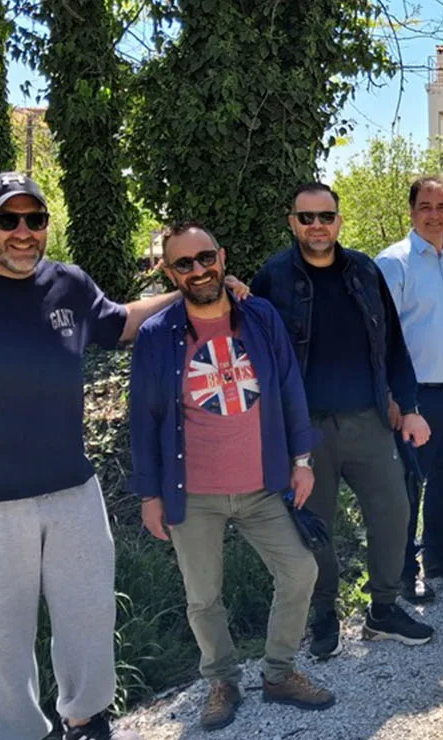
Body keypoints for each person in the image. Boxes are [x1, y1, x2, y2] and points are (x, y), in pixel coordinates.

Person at [0, 172, 178, 740]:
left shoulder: (67, 285)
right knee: (0, 646)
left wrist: (195, 286)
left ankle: (88, 720)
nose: (23, 232)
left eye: (34, 220)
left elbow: (123, 322)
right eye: (8, 219)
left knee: (90, 622)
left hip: (74, 495)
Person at [130, 223, 336, 730]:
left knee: (300, 572)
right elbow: (146, 418)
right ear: (169, 271)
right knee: (203, 597)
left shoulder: (260, 317)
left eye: (205, 258)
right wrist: (149, 494)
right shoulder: (158, 337)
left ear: (222, 257)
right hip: (192, 492)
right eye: (184, 263)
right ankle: (221, 679)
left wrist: (302, 461)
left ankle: (279, 671)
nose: (199, 270)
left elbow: (290, 388)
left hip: (264, 484)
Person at [251, 182, 435, 657]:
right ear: (292, 222)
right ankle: (324, 612)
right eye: (307, 217)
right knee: (315, 525)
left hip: (368, 419)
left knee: (393, 512)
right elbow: (254, 354)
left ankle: (383, 609)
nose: (317, 226)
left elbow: (393, 343)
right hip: (306, 428)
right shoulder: (273, 277)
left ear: (339, 220)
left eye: (326, 216)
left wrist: (409, 406)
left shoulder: (364, 270)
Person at [376, 174, 443, 589]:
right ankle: (403, 571)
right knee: (408, 487)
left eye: (442, 207)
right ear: (411, 211)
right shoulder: (393, 263)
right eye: (425, 206)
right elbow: (381, 336)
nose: (434, 215)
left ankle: (438, 556)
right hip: (416, 399)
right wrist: (395, 399)